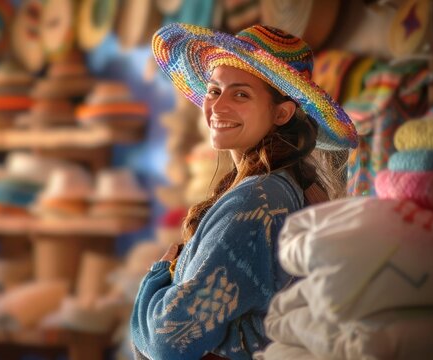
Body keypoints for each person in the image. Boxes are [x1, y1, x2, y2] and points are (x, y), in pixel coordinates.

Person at [130, 23, 358, 360]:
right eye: (213, 90)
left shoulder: (257, 201)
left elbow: (170, 341)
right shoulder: (289, 186)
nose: (218, 108)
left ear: (281, 113)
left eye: (240, 94)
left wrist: (157, 278)